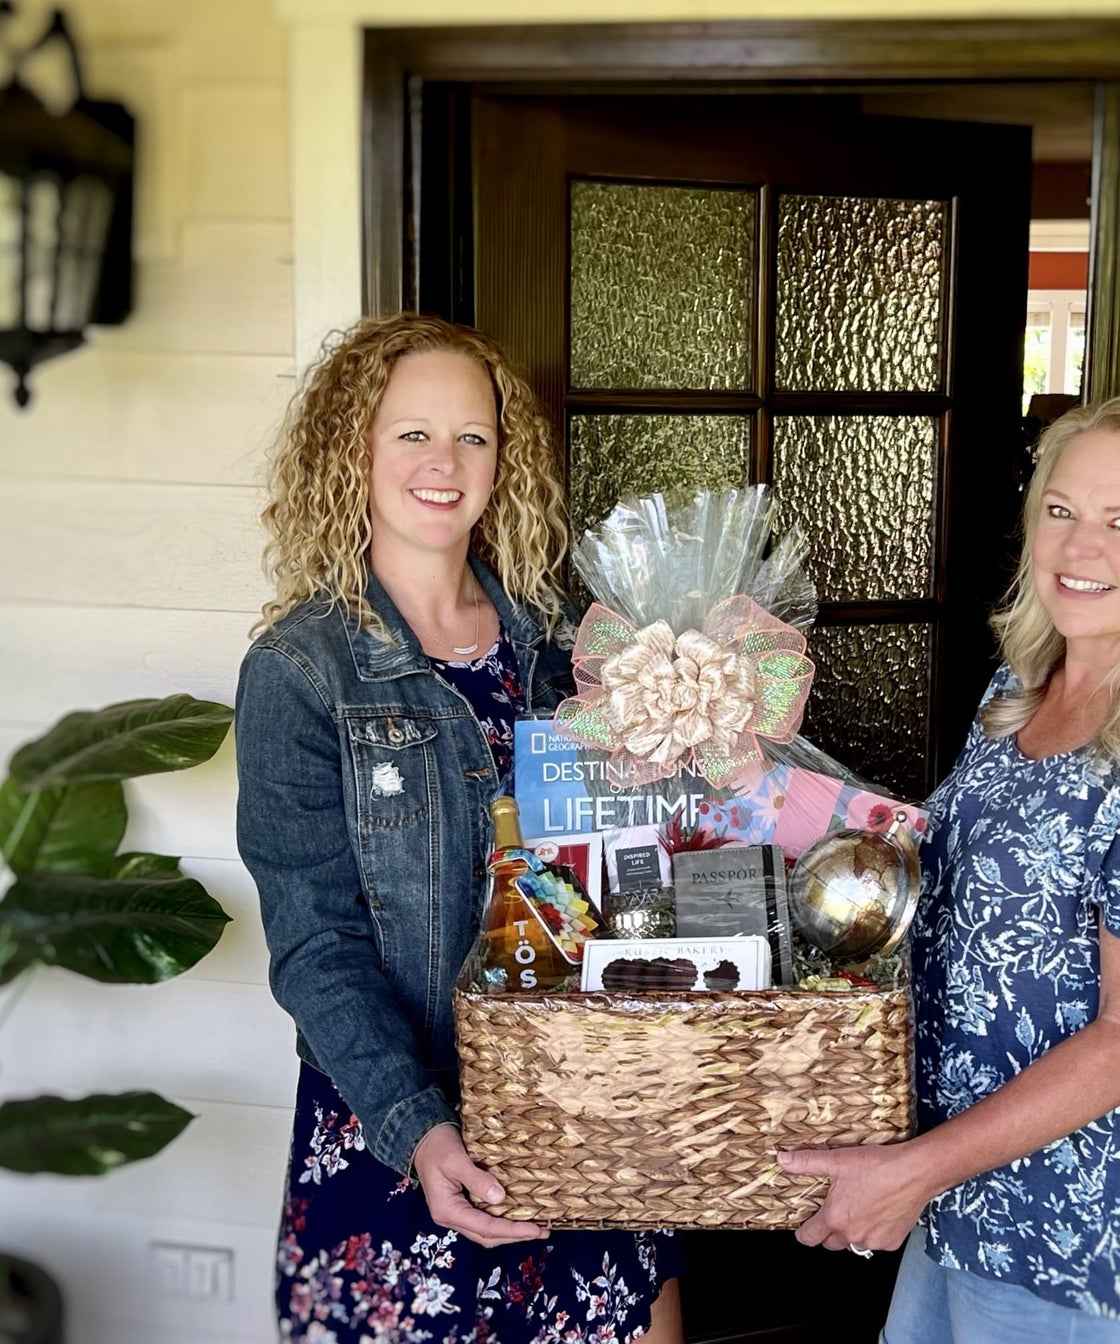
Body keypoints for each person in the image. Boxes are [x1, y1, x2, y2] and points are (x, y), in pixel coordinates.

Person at [779, 395, 1120, 1343]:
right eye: (1062, 509)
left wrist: (917, 1170)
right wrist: (771, 788)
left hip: (1085, 1232)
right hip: (967, 1194)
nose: (1079, 546)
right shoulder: (1018, 692)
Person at [235, 313, 684, 1343]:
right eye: (411, 434)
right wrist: (419, 1129)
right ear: (352, 450)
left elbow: (640, 868)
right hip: (404, 1145)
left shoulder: (570, 647)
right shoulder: (301, 673)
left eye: (474, 437)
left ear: (502, 460)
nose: (445, 464)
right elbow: (315, 946)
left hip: (585, 1111)